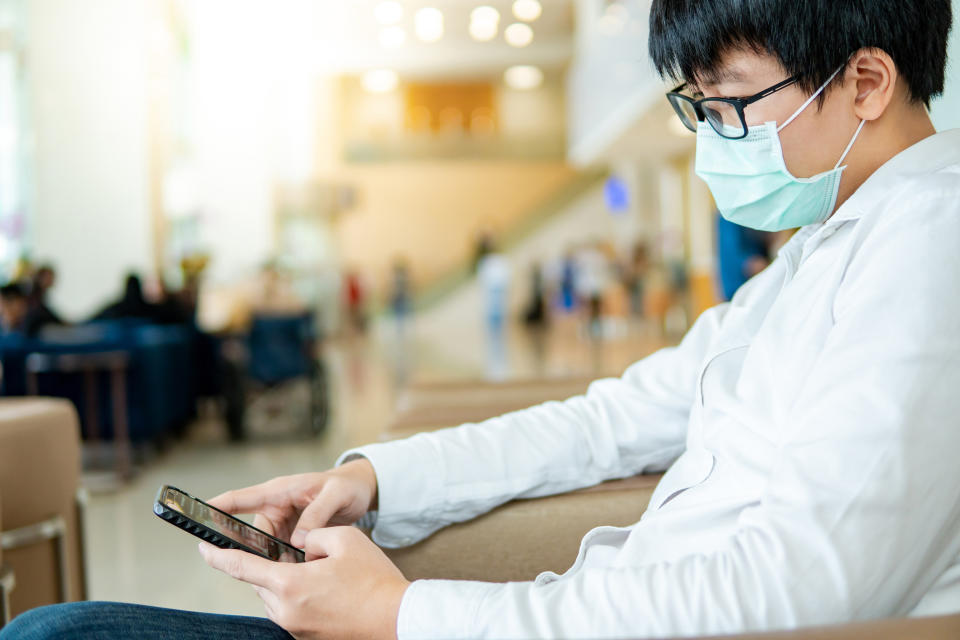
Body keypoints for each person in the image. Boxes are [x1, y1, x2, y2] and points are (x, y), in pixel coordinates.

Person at [7, 1, 960, 638]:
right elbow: (615, 418)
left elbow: (801, 590)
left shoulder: (928, 251)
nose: (714, 139)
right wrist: (375, 476)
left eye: (729, 108)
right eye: (697, 109)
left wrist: (406, 614)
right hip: (557, 613)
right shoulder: (832, 247)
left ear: (866, 84)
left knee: (56, 634)